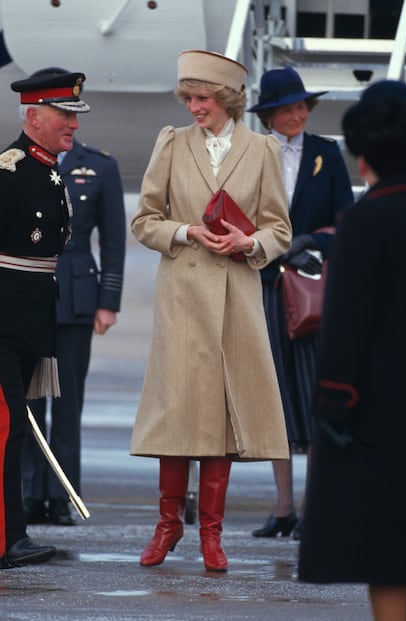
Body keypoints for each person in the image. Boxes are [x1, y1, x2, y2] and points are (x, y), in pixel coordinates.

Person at [129, 49, 292, 572]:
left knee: (222, 420)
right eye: (189, 98)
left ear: (227, 100)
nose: (194, 107)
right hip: (182, 296)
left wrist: (249, 242)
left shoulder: (262, 149)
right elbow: (145, 219)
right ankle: (168, 524)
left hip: (236, 302)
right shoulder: (172, 144)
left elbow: (279, 230)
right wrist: (184, 231)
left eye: (202, 99)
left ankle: (212, 536)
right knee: (178, 413)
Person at [298, 79, 406, 621]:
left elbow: (345, 327)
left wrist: (331, 405)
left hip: (383, 418)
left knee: (390, 559)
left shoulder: (367, 221)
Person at [246, 66, 353, 540]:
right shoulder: (250, 155)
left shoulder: (326, 155)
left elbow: (345, 220)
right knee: (275, 398)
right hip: (265, 285)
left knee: (312, 396)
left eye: (300, 107)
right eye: (286, 109)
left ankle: (317, 506)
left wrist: (310, 240)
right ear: (268, 115)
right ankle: (284, 506)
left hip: (309, 288)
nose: (296, 115)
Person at [0, 67, 90, 567]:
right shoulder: (8, 171)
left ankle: (13, 534)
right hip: (3, 323)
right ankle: (5, 539)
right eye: (64, 114)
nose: (73, 125)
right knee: (5, 426)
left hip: (29, 322)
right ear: (34, 116)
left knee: (11, 430)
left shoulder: (48, 171)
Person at [22, 113, 126, 526]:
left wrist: (109, 301)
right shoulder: (15, 163)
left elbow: (114, 238)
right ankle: (29, 493)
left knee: (68, 405)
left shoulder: (100, 165)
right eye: (64, 116)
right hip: (28, 297)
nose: (71, 124)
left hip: (78, 298)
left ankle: (62, 495)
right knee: (29, 402)